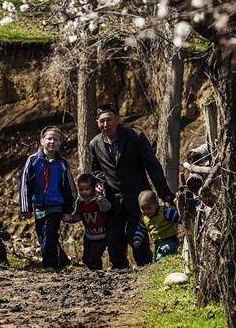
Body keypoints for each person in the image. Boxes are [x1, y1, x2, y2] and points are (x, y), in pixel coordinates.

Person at [89, 103, 174, 268]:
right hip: (113, 199)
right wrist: (99, 183)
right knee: (113, 240)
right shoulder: (95, 144)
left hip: (138, 197)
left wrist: (164, 193)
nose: (105, 125)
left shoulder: (135, 136)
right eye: (101, 121)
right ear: (97, 123)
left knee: (137, 237)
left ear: (117, 120)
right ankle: (120, 272)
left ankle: (145, 268)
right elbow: (97, 170)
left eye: (109, 120)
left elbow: (152, 166)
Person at [19, 126, 76, 271]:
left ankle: (50, 265)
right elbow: (25, 185)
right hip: (38, 206)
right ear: (42, 141)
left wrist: (68, 210)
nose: (52, 142)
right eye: (49, 139)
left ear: (60, 143)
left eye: (56, 140)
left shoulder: (62, 163)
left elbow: (70, 188)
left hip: (56, 206)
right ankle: (62, 259)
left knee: (50, 234)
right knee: (42, 237)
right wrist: (26, 208)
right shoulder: (32, 161)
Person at [64, 173, 111, 270]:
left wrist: (100, 198)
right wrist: (70, 219)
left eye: (87, 189)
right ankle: (95, 272)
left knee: (94, 257)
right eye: (81, 190)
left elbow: (107, 208)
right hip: (89, 236)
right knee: (85, 259)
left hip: (101, 236)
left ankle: (98, 274)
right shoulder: (80, 202)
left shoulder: (98, 199)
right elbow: (78, 216)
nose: (84, 192)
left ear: (94, 188)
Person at [132, 190, 181, 261]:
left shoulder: (164, 212)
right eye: (143, 209)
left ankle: (169, 261)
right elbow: (140, 230)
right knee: (157, 258)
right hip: (158, 243)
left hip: (170, 239)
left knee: (163, 255)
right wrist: (137, 239)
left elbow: (177, 217)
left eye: (149, 208)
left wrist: (185, 221)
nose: (146, 211)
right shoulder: (144, 218)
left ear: (157, 204)